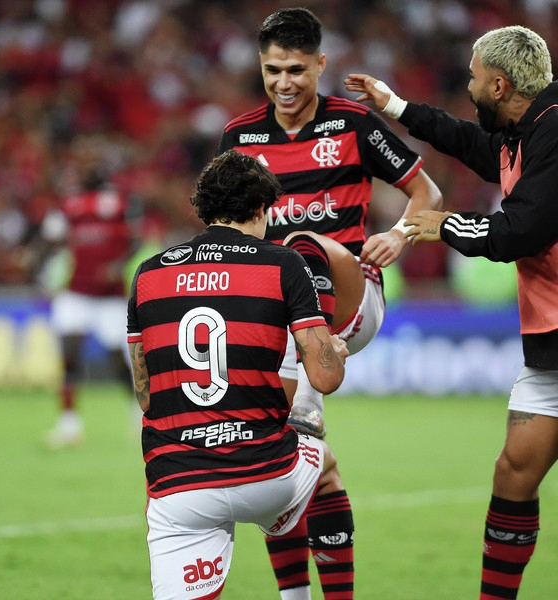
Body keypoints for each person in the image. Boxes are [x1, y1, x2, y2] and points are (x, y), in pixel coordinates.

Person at [216, 7, 442, 599]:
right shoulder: (239, 138)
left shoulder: (355, 125)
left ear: (319, 64)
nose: (283, 83)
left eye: (295, 69)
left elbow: (427, 191)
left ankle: (310, 396)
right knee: (289, 471)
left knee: (299, 245)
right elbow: (224, 230)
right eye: (271, 71)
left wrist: (400, 233)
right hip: (276, 325)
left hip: (349, 301)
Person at [345, 24, 558, 600]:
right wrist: (396, 107)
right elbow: (470, 143)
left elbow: (525, 230)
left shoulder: (556, 131)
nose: (467, 86)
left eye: (471, 76)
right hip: (550, 344)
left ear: (500, 83)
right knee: (514, 472)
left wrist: (446, 227)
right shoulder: (525, 133)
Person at [126, 149, 349, 600]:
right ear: (263, 208)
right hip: (266, 476)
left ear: (204, 207)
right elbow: (324, 379)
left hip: (177, 486)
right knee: (322, 463)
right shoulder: (283, 263)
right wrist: (334, 351)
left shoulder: (148, 274)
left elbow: (146, 396)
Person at [40, 133, 142, 449]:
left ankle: (138, 414)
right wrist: (44, 267)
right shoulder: (67, 202)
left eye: (94, 163)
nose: (89, 169)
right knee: (68, 354)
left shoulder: (121, 201)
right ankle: (69, 424)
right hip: (76, 291)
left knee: (117, 361)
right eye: (84, 163)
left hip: (110, 295)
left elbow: (136, 239)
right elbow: (51, 237)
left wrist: (119, 264)